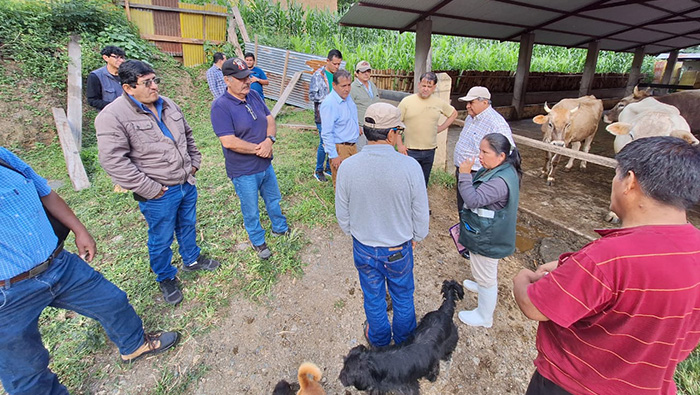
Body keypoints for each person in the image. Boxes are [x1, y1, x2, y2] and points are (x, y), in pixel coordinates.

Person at [513, 136, 700, 395]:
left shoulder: (610, 257)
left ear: (630, 182)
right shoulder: (695, 248)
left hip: (574, 386)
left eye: (616, 174)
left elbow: (534, 306)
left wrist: (523, 276)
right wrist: (572, 267)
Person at [0, 147, 180, 395]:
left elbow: (46, 194)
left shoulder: (3, 156)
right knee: (26, 372)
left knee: (112, 301)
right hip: (7, 293)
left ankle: (134, 345)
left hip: (58, 263)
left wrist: (79, 229)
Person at [95, 60, 220, 306]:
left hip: (186, 181)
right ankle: (165, 276)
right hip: (158, 193)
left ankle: (192, 259)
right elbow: (114, 162)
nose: (154, 87)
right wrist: (151, 189)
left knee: (187, 224)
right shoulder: (112, 116)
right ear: (129, 88)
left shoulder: (168, 104)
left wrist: (194, 163)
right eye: (147, 83)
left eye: (155, 80)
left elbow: (188, 134)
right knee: (161, 237)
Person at [336, 102, 429, 347]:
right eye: (399, 131)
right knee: (402, 296)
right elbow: (420, 214)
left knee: (374, 297)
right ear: (391, 134)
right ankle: (404, 344)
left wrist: (357, 234)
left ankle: (377, 341)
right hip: (398, 248)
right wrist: (416, 236)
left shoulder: (347, 166)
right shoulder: (410, 167)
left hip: (364, 247)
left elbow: (342, 216)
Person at [210, 57, 289, 260]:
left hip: (265, 162)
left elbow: (269, 118)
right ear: (227, 80)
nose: (247, 81)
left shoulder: (253, 95)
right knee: (251, 208)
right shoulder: (220, 106)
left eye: (247, 76)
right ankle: (257, 240)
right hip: (244, 169)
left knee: (273, 199)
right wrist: (258, 149)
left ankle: (280, 227)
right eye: (241, 78)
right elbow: (228, 141)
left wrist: (269, 141)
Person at [456, 133, 521, 328]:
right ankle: (480, 284)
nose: (480, 156)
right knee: (483, 268)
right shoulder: (503, 169)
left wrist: (465, 174)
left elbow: (473, 200)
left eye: (485, 152)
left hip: (488, 236)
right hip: (488, 230)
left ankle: (484, 316)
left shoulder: (499, 183)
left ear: (501, 156)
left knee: (487, 276)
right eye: (480, 151)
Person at [453, 86, 513, 212]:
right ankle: (463, 229)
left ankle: (470, 230)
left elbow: (508, 150)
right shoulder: (471, 117)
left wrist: (490, 173)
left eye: (471, 102)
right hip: (464, 170)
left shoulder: (496, 123)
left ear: (484, 102)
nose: (467, 106)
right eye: (467, 103)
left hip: (477, 173)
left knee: (473, 207)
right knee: (462, 207)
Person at [397, 71, 458, 187]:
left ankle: (420, 203)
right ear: (419, 85)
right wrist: (400, 145)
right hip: (409, 150)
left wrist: (441, 128)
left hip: (429, 150)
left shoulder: (438, 102)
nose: (426, 89)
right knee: (408, 181)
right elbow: (396, 123)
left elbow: (453, 114)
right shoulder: (407, 102)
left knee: (423, 181)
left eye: (429, 86)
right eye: (424, 86)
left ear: (434, 87)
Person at [320, 69, 360, 187]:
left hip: (352, 146)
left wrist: (357, 128)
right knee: (341, 184)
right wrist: (334, 155)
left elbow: (349, 118)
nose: (347, 89)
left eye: (349, 85)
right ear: (334, 85)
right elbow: (326, 133)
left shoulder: (347, 98)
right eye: (343, 86)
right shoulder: (329, 104)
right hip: (340, 149)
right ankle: (341, 206)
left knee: (353, 181)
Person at [308, 49, 342, 182]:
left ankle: (328, 168)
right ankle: (318, 170)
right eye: (335, 64)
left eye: (339, 64)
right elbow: (312, 95)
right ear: (327, 61)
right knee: (324, 143)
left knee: (333, 140)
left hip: (336, 115)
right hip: (322, 116)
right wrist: (328, 99)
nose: (337, 67)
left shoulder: (337, 76)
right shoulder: (318, 75)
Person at [350, 60, 380, 151]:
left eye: (368, 71)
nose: (366, 74)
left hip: (374, 125)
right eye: (363, 72)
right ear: (357, 73)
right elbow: (349, 108)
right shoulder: (353, 88)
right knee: (361, 150)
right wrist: (356, 125)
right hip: (361, 126)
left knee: (372, 149)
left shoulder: (372, 85)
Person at [86, 45, 126, 111]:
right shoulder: (96, 76)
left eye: (122, 57)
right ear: (106, 58)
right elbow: (92, 100)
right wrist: (114, 106)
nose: (121, 60)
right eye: (116, 57)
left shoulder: (127, 74)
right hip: (108, 114)